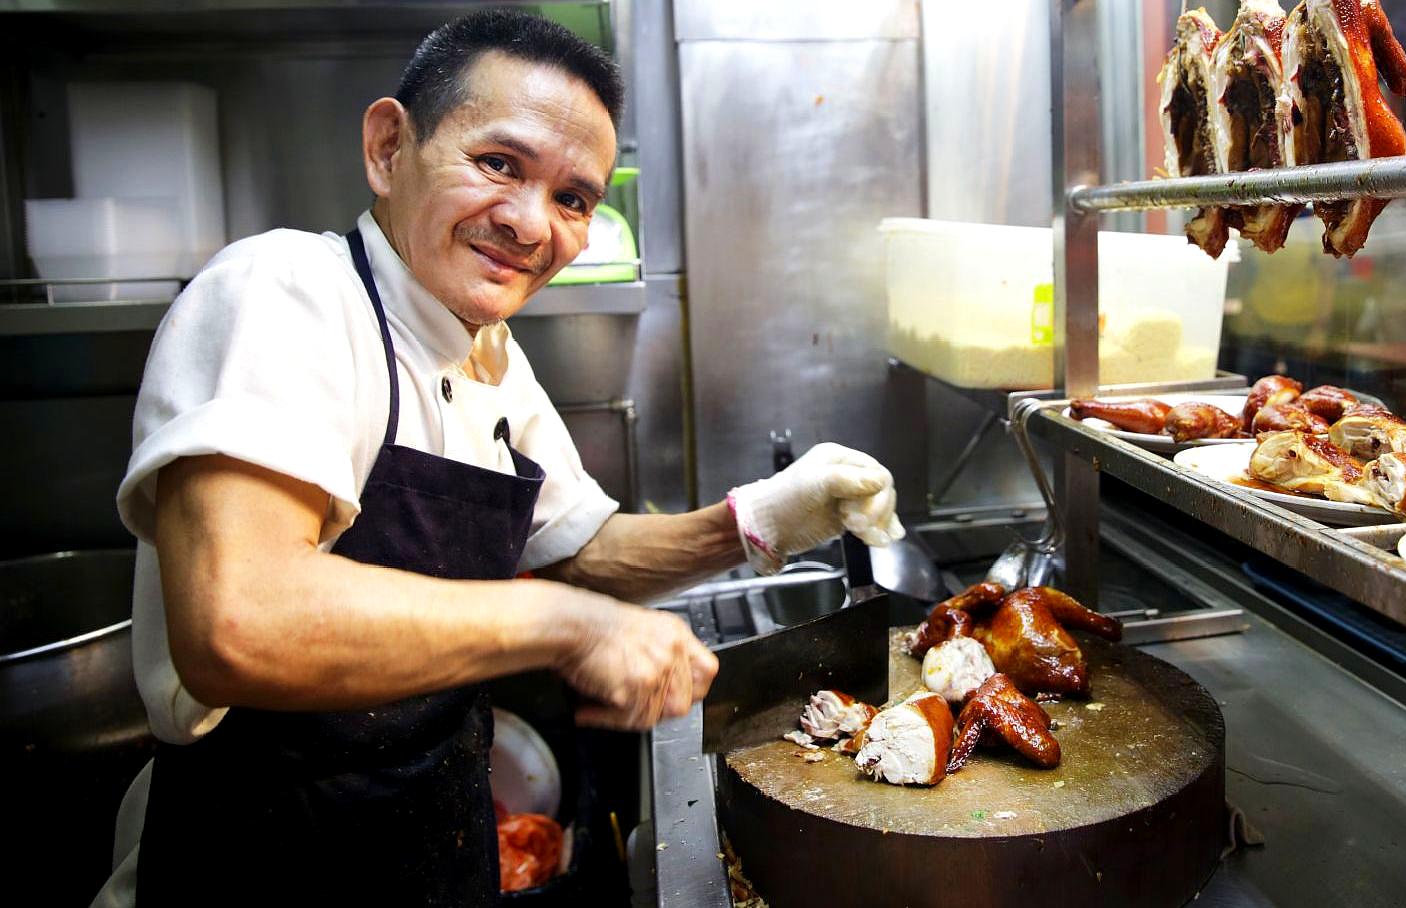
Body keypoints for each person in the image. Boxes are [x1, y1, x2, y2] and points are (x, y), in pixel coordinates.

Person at [90, 10, 902, 906]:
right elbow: (237, 622)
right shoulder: (285, 293)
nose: (528, 223)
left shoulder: (487, 352)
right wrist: (562, 627)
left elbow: (580, 553)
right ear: (390, 146)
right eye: (499, 164)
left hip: (432, 857)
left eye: (573, 199)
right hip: (262, 867)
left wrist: (763, 518)